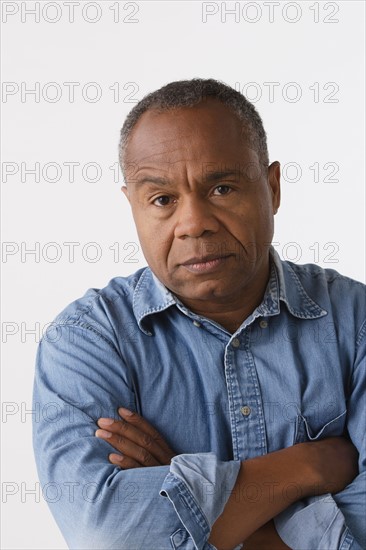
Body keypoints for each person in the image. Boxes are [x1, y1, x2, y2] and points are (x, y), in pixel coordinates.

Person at [32, 78, 365, 549]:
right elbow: (104, 534)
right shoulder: (85, 340)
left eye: (223, 188)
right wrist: (308, 467)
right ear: (132, 207)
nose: (193, 224)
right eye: (163, 200)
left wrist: (187, 494)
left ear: (272, 189)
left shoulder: (356, 321)